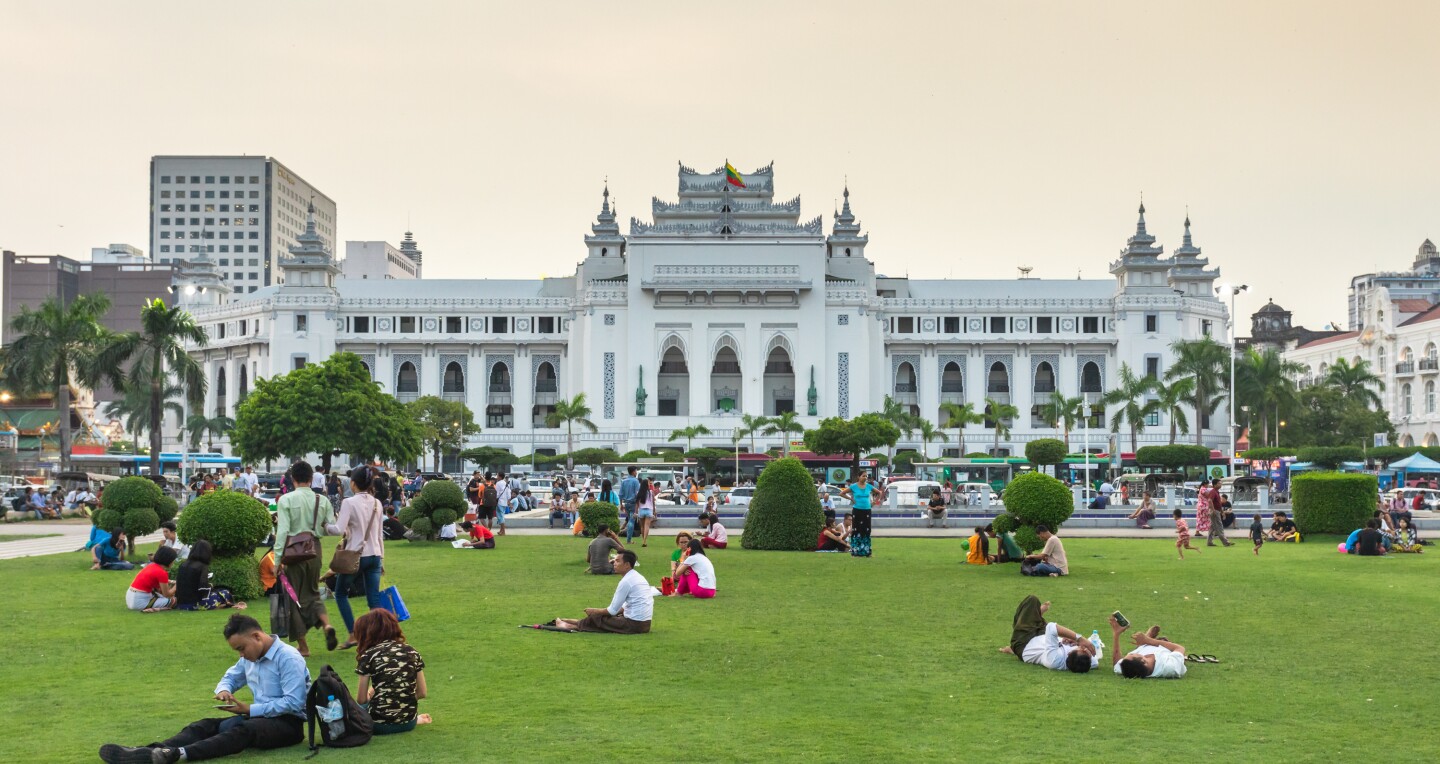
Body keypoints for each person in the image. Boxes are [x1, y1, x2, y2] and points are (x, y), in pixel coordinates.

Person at [98, 614, 310, 763]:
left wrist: (249, 710)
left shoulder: (288, 658)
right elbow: (232, 676)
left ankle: (176, 755)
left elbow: (294, 703)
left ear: (257, 636)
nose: (241, 655)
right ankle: (150, 750)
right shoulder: (250, 658)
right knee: (204, 725)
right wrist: (224, 690)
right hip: (259, 718)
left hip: (289, 724)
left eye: (241, 648)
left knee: (243, 731)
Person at [273, 459, 338, 656]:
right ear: (311, 478)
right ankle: (326, 625)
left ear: (292, 479)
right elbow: (330, 526)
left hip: (293, 552)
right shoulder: (323, 500)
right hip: (314, 549)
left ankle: (303, 646)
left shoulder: (286, 500)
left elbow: (282, 531)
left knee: (293, 597)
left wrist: (277, 560)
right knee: (312, 593)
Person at [325, 464, 387, 651]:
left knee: (341, 593)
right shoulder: (377, 503)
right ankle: (379, 637)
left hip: (356, 556)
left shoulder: (349, 503)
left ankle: (353, 633)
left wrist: (324, 525)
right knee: (373, 599)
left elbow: (338, 529)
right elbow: (379, 534)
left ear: (353, 484)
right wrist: (382, 558)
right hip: (375, 554)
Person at [352, 609, 432, 734]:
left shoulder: (369, 655)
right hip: (408, 723)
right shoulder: (412, 652)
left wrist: (371, 694)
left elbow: (361, 700)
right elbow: (422, 693)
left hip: (378, 725)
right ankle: (416, 719)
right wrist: (404, 701)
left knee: (357, 708)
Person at [553, 550, 653, 634]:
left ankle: (567, 625)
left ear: (627, 565)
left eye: (617, 561)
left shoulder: (626, 581)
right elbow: (624, 607)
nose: (614, 563)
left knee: (597, 618)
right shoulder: (637, 577)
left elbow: (612, 611)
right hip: (645, 624)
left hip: (634, 625)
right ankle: (572, 622)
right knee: (602, 617)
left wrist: (594, 611)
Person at [998, 595, 1098, 673]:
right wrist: (1074, 642)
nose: (1084, 648)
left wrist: (1079, 639)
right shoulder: (1087, 662)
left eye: (1081, 649)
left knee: (1032, 600)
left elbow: (1051, 627)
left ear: (1069, 654)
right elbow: (1095, 661)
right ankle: (1035, 617)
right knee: (1036, 622)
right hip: (1043, 636)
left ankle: (1035, 617)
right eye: (1086, 651)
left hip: (1025, 643)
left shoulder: (1054, 660)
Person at [176, 540, 246, 611]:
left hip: (181, 604)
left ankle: (221, 605)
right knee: (225, 592)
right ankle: (223, 605)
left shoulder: (183, 565)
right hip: (196, 604)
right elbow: (203, 589)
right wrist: (210, 586)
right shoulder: (202, 566)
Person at [1110, 615, 1188, 679]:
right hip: (1165, 649)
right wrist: (1149, 641)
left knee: (1141, 648)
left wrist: (1116, 634)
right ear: (1144, 662)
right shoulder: (1169, 667)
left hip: (1146, 646)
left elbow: (1117, 662)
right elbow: (1180, 648)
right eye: (1132, 654)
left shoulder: (1127, 668)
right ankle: (1149, 640)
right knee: (1166, 643)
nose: (1129, 654)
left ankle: (1143, 643)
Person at [840, 471, 883, 557]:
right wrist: (851, 499)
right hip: (857, 510)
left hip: (867, 510)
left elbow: (879, 493)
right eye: (863, 476)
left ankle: (867, 552)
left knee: (866, 530)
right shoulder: (854, 486)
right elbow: (841, 493)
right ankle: (855, 551)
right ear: (859, 477)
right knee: (856, 530)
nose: (865, 478)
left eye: (866, 476)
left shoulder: (869, 486)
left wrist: (874, 502)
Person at [128, 546, 179, 611]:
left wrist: (171, 582)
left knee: (160, 595)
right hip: (139, 602)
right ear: (169, 561)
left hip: (131, 598)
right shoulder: (162, 573)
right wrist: (177, 585)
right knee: (174, 601)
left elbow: (159, 581)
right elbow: (167, 594)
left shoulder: (151, 565)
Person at [1204, 479, 1233, 547]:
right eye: (1219, 483)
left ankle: (1209, 542)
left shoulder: (1216, 492)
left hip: (1217, 511)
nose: (1221, 484)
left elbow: (1218, 503)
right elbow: (1210, 500)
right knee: (1219, 526)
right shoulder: (1213, 492)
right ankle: (1225, 542)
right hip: (1215, 511)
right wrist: (1213, 510)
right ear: (1215, 484)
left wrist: (1222, 512)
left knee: (1212, 527)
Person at [618, 466, 641, 543]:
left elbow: (620, 494)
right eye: (636, 471)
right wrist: (638, 506)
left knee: (629, 520)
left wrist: (621, 504)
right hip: (633, 503)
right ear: (633, 471)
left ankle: (629, 538)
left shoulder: (624, 481)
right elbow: (637, 494)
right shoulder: (635, 481)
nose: (636, 472)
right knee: (631, 521)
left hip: (626, 503)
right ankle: (629, 540)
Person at [636, 477, 656, 547]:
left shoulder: (639, 492)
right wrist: (654, 511)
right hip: (649, 510)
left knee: (642, 526)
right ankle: (645, 541)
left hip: (641, 510)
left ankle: (643, 540)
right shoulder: (650, 492)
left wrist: (636, 512)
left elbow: (637, 503)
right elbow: (653, 502)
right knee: (647, 526)